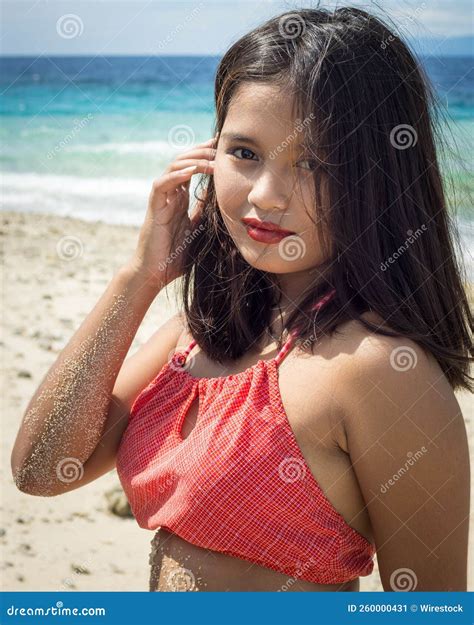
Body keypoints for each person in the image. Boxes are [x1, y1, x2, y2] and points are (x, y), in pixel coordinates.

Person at [11, 7, 472, 592]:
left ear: (378, 176)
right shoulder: (196, 335)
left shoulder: (378, 371)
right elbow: (41, 470)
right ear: (209, 153)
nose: (265, 196)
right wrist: (139, 276)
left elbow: (431, 606)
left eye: (313, 163)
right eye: (245, 153)